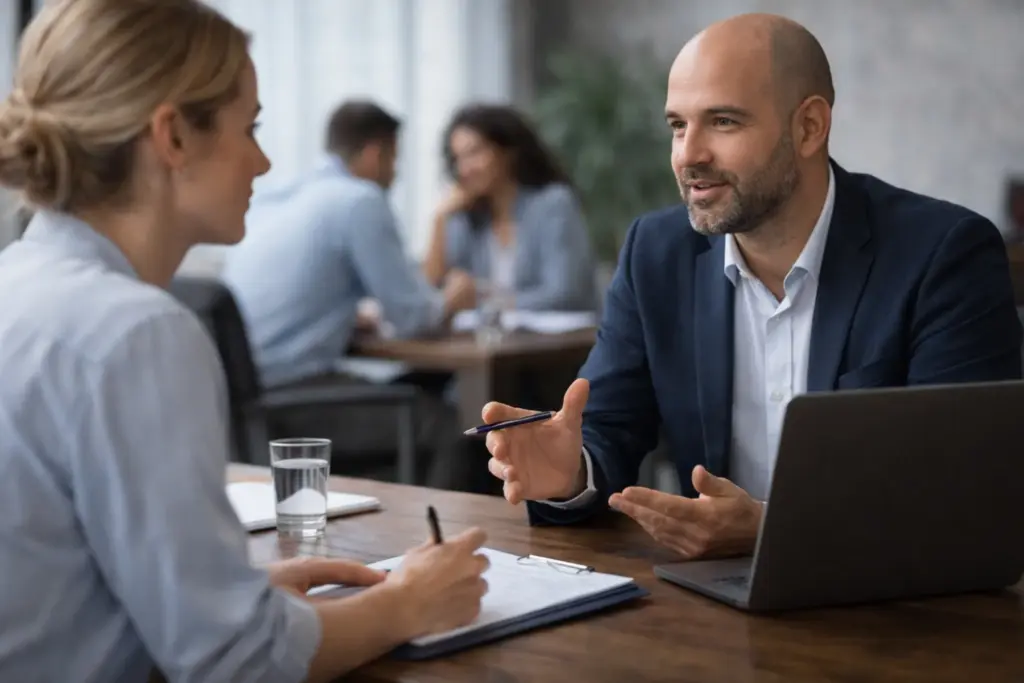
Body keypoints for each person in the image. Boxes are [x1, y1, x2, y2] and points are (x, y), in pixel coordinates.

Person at [0, 2, 488, 682]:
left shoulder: (18, 284)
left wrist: (231, 591)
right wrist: (409, 601)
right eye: (250, 127)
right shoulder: (136, 334)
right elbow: (238, 662)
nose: (263, 160)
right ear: (171, 136)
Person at [478, 13, 1023, 561]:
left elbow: (964, 493)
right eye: (676, 125)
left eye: (723, 122)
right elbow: (608, 427)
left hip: (906, 610)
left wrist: (776, 529)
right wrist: (571, 472)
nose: (689, 154)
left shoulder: (942, 254)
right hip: (718, 603)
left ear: (809, 127)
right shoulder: (657, 252)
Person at [221, 100, 475, 490]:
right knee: (451, 426)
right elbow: (413, 317)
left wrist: (341, 315)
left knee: (420, 392)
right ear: (376, 153)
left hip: (242, 403)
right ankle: (440, 547)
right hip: (290, 399)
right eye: (394, 160)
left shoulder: (280, 198)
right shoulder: (359, 200)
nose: (395, 173)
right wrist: (453, 299)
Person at [423, 103, 597, 312]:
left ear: (507, 152)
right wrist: (440, 218)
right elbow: (433, 290)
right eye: (458, 158)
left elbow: (564, 293)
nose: (464, 169)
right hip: (495, 343)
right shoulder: (469, 215)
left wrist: (488, 304)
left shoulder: (553, 204)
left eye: (474, 153)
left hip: (561, 342)